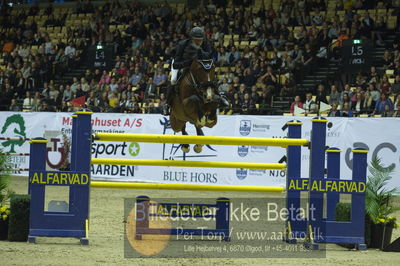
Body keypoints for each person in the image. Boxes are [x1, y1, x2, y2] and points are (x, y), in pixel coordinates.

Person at [162, 26, 228, 115]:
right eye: (196, 40)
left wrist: (199, 51)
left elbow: (208, 56)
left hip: (198, 65)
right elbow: (176, 64)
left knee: (209, 76)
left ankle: (221, 98)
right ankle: (167, 104)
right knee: (173, 79)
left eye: (200, 40)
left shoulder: (206, 44)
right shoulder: (182, 45)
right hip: (182, 63)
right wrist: (189, 63)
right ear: (191, 39)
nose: (198, 42)